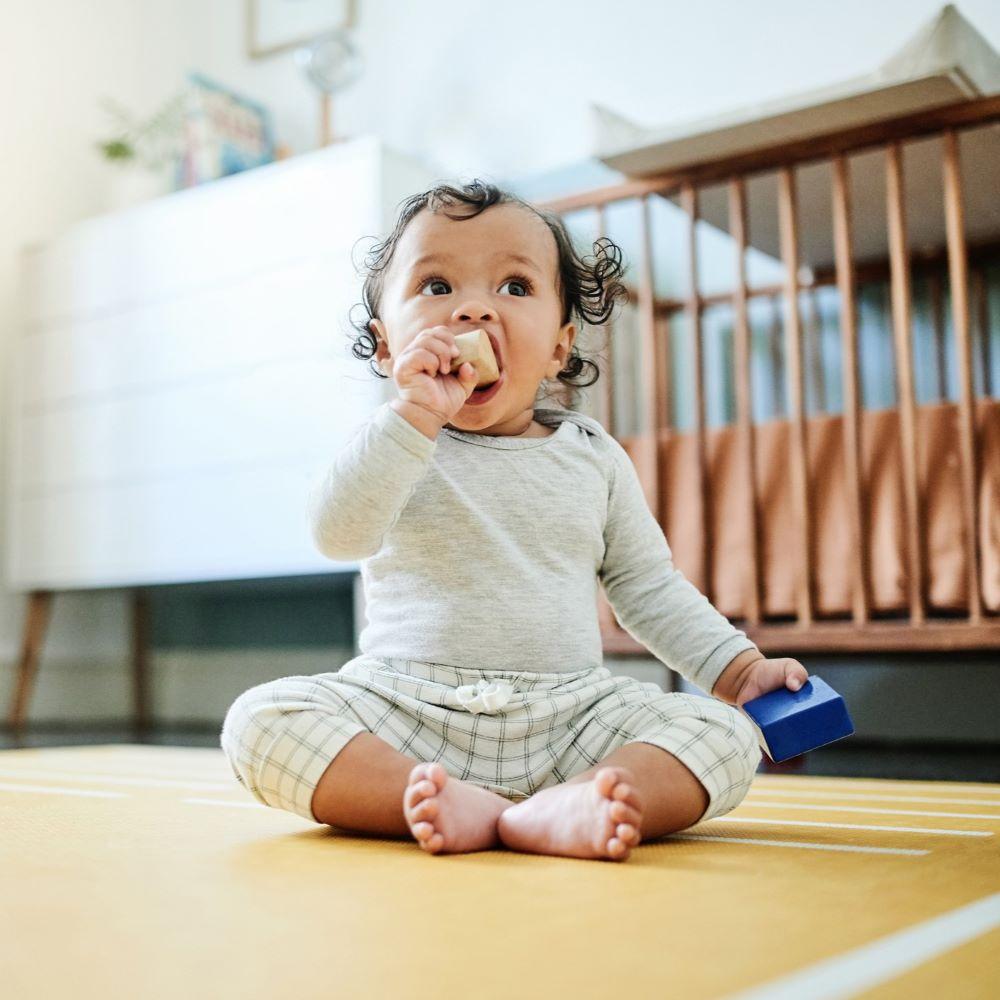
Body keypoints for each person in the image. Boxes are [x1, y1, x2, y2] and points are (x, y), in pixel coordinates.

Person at [220, 179, 809, 862]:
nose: (472, 310)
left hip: (571, 720)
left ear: (560, 346)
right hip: (405, 710)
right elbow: (338, 534)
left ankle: (578, 801)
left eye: (515, 288)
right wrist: (413, 418)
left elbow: (649, 589)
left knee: (721, 733)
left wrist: (739, 676)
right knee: (259, 722)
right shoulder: (394, 441)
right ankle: (422, 795)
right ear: (386, 348)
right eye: (436, 286)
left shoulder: (594, 459)